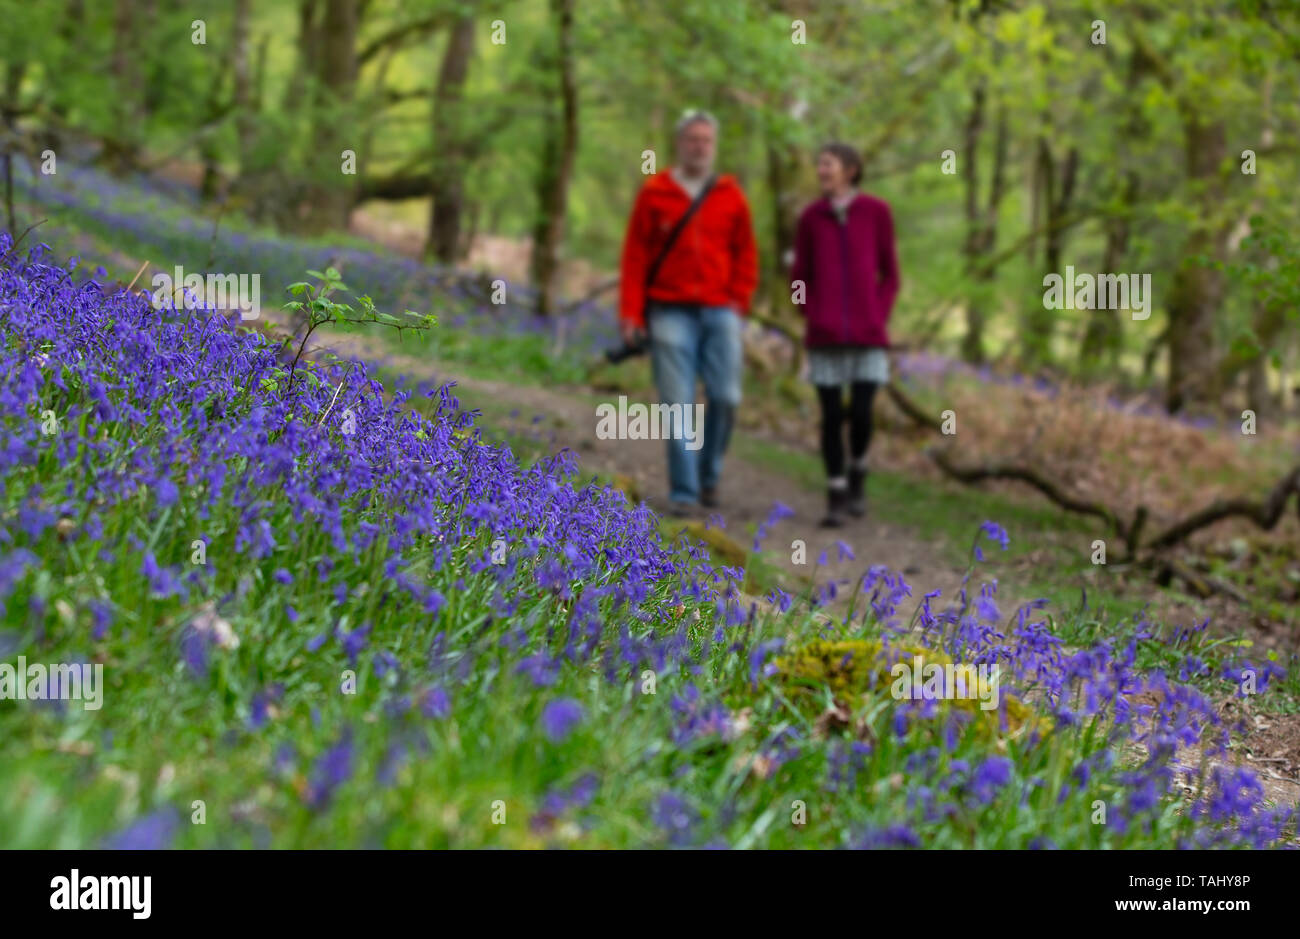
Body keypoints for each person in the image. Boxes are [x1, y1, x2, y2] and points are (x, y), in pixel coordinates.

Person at [618, 110, 758, 516]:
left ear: (714, 146)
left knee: (726, 397)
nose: (699, 146)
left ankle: (708, 475)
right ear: (679, 144)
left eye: (706, 140)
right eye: (692, 139)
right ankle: (684, 492)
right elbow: (635, 257)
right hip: (668, 310)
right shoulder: (655, 192)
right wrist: (630, 314)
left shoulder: (731, 195)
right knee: (678, 403)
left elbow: (745, 253)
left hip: (720, 310)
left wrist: (739, 300)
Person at [790, 142, 901, 527]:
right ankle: (836, 491)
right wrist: (809, 311)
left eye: (828, 165)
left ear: (851, 170)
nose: (821, 171)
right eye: (819, 164)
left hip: (869, 334)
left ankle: (859, 468)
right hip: (825, 336)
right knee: (832, 415)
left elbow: (891, 275)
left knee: (863, 412)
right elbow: (798, 278)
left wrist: (877, 313)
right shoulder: (810, 218)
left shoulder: (876, 212)